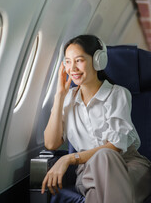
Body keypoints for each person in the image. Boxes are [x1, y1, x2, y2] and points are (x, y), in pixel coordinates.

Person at [41, 35, 151, 203]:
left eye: (79, 60)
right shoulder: (67, 99)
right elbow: (51, 143)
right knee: (109, 186)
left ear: (98, 61)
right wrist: (59, 96)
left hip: (129, 165)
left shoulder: (118, 94)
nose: (73, 68)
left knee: (103, 165)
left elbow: (114, 147)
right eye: (68, 62)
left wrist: (69, 158)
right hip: (88, 171)